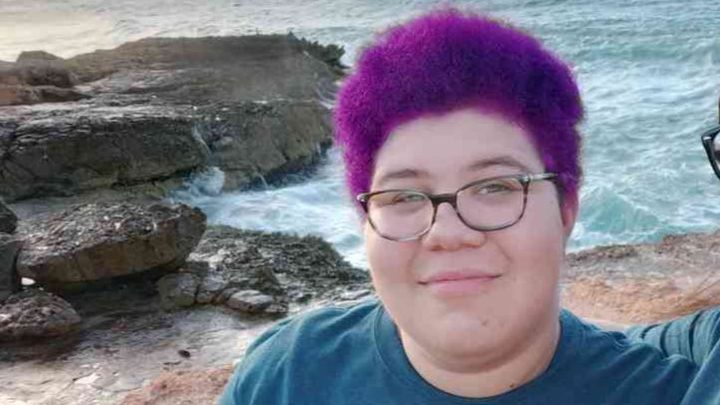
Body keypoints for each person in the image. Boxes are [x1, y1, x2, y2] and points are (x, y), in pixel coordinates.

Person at [219, 8, 720, 404]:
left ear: (566, 209)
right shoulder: (288, 376)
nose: (447, 232)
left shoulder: (665, 393)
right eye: (404, 196)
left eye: (496, 187)